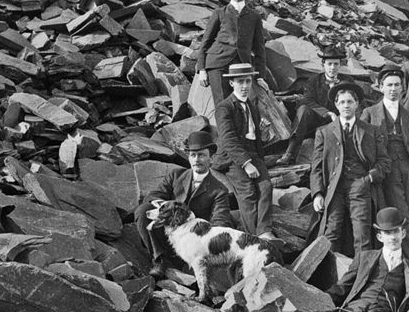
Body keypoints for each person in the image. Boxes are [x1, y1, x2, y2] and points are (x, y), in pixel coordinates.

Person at [360, 63, 409, 278]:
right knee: (403, 215)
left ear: (403, 88)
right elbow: (360, 141)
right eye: (389, 85)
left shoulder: (408, 116)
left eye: (397, 85)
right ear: (381, 87)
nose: (393, 89)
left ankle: (408, 261)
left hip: (407, 170)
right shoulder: (369, 113)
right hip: (385, 171)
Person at [134, 130, 232, 277]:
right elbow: (153, 195)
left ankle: (187, 265)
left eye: (202, 155)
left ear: (211, 159)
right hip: (166, 236)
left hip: (193, 243)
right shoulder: (176, 175)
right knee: (143, 211)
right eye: (193, 155)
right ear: (189, 157)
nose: (197, 159)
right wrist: (167, 207)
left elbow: (220, 221)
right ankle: (160, 260)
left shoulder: (219, 190)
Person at [311, 81, 388, 257]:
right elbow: (315, 167)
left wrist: (368, 179)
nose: (346, 106)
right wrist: (317, 193)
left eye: (350, 102)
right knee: (331, 233)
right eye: (342, 102)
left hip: (360, 188)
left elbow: (384, 163)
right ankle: (329, 278)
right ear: (336, 105)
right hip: (334, 189)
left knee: (362, 235)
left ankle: (363, 278)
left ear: (357, 104)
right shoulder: (324, 132)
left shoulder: (371, 131)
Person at [214, 63, 275, 238]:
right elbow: (228, 140)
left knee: (266, 186)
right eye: (240, 82)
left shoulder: (252, 105)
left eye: (248, 81)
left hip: (252, 152)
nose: (245, 86)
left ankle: (264, 232)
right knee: (248, 193)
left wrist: (263, 133)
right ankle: (252, 237)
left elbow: (254, 138)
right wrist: (247, 164)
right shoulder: (224, 107)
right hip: (232, 157)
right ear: (231, 83)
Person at [195, 0, 268, 107]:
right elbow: (206, 42)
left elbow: (259, 48)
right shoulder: (219, 13)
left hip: (242, 64)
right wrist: (202, 70)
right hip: (218, 63)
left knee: (247, 103)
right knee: (223, 104)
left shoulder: (254, 17)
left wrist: (260, 76)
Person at [278, 46, 344, 165]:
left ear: (340, 65)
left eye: (336, 64)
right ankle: (290, 152)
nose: (332, 68)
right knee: (303, 109)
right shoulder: (314, 80)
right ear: (323, 65)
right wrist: (328, 113)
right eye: (329, 64)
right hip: (316, 120)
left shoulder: (347, 81)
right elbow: (307, 100)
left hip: (338, 122)